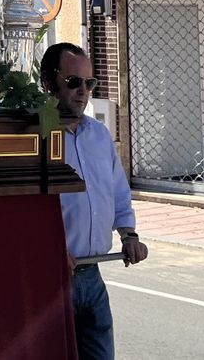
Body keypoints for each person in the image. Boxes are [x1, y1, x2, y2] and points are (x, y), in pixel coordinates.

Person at [40, 43, 146, 360]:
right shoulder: (35, 137)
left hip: (93, 277)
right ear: (48, 82)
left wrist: (129, 235)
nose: (83, 91)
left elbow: (116, 191)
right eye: (74, 82)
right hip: (50, 282)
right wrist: (47, 252)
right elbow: (19, 210)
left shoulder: (98, 134)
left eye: (89, 83)